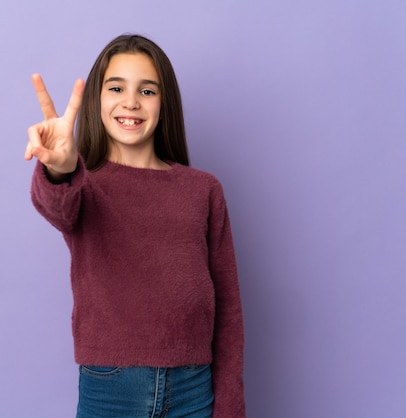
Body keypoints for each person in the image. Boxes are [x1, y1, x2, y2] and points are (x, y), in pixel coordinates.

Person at [25, 34, 245, 418]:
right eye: (116, 87)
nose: (131, 101)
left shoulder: (203, 189)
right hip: (111, 390)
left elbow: (227, 310)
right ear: (97, 98)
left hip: (194, 390)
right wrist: (59, 168)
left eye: (147, 90)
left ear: (165, 104)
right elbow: (58, 206)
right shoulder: (83, 183)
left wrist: (230, 406)